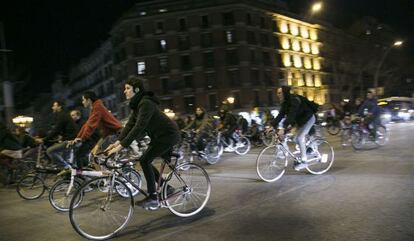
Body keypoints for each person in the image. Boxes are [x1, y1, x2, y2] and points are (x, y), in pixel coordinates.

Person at [106, 76, 180, 210]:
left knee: (145, 160)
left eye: (128, 88)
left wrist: (122, 145)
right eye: (125, 89)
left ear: (137, 89)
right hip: (159, 137)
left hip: (168, 136)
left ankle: (153, 197)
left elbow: (139, 126)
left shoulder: (146, 103)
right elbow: (129, 125)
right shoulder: (138, 105)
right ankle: (166, 187)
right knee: (144, 159)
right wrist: (117, 142)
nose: (125, 91)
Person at [68, 91, 122, 167]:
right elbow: (86, 125)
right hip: (108, 134)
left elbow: (90, 125)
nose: (82, 102)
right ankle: (112, 174)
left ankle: (117, 174)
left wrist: (81, 138)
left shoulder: (97, 107)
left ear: (89, 100)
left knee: (105, 159)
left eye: (83, 100)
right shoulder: (95, 108)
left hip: (115, 133)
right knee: (98, 157)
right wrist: (78, 138)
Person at [270, 86, 317, 170]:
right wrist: (271, 126)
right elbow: (280, 115)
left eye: (279, 93)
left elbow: (292, 114)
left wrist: (284, 128)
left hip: (308, 118)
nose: (278, 94)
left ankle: (304, 161)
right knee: (295, 139)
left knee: (299, 138)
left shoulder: (294, 100)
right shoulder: (285, 103)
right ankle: (308, 148)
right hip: (300, 121)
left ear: (285, 92)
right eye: (277, 93)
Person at [43, 100, 77, 169]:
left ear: (59, 107)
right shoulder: (64, 114)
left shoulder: (62, 115)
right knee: (65, 160)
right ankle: (68, 176)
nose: (52, 108)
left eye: (54, 106)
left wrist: (44, 139)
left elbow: (56, 130)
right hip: (70, 140)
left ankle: (66, 167)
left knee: (49, 151)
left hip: (69, 141)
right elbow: (60, 130)